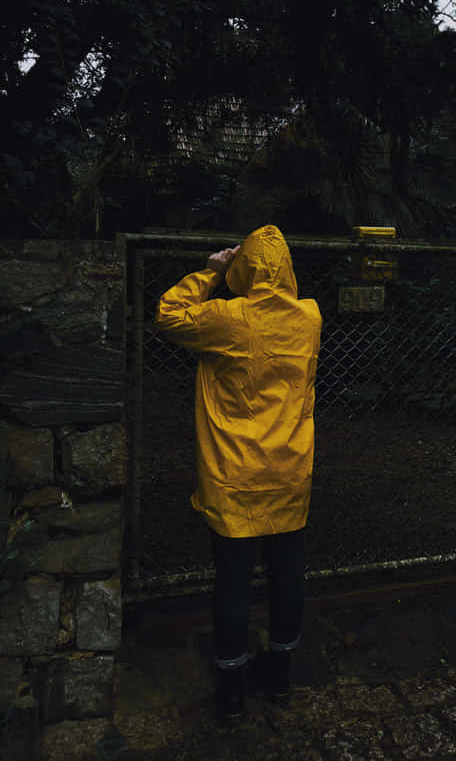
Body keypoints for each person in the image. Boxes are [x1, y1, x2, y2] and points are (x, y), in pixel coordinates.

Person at [154, 224, 322, 717]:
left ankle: (230, 689)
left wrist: (210, 273)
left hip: (234, 476)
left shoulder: (228, 319)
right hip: (290, 470)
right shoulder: (309, 316)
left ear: (244, 267)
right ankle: (280, 675)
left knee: (232, 581)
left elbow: (167, 314)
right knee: (287, 575)